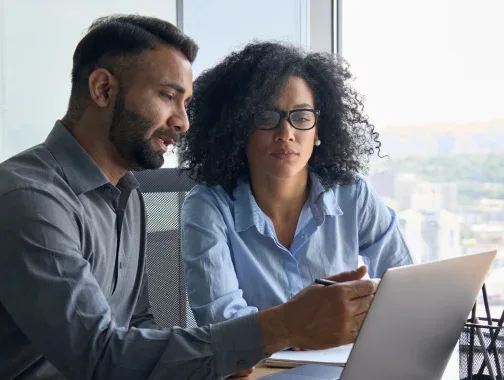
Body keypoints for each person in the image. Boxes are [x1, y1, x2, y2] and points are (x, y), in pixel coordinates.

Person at [0, 15, 377, 380]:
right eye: (168, 96)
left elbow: (138, 324)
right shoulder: (29, 199)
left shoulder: (126, 194)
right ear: (103, 89)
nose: (183, 121)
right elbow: (99, 358)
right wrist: (286, 325)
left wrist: (211, 364)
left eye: (185, 103)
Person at [179, 42, 414, 334]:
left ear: (318, 132)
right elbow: (223, 325)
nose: (286, 133)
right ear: (238, 128)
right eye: (267, 117)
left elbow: (405, 287)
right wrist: (307, 329)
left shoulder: (352, 194)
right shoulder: (208, 206)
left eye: (301, 118)